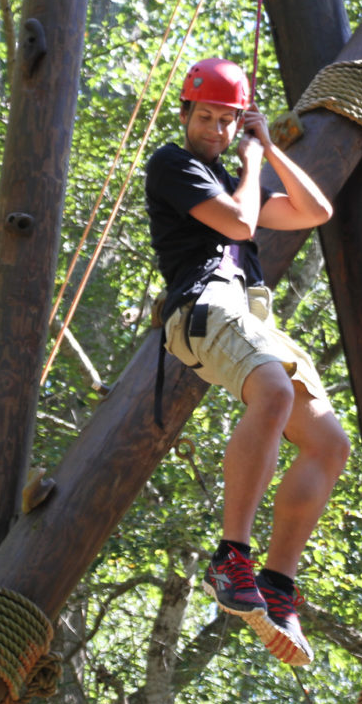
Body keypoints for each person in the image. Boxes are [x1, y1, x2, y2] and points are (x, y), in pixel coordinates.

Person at [144, 58, 350, 667]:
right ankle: (231, 556)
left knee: (329, 444)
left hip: (252, 316)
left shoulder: (241, 170)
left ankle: (278, 586)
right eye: (204, 116)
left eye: (227, 119)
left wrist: (266, 148)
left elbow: (316, 212)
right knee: (274, 392)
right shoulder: (175, 164)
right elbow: (236, 222)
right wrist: (253, 164)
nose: (213, 128)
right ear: (186, 115)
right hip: (203, 304)